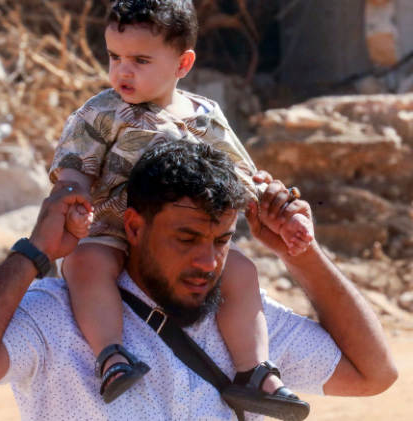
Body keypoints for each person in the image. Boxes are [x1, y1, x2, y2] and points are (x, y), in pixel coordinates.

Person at [0, 142, 397, 421]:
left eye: (221, 240)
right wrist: (34, 253)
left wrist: (301, 251)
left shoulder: (246, 325)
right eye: (186, 238)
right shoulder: (59, 317)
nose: (207, 261)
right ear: (133, 227)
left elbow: (373, 373)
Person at [47, 0, 314, 417]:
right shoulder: (101, 111)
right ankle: (112, 356)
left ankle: (255, 373)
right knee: (84, 264)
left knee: (242, 271)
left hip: (187, 238)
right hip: (112, 229)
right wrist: (73, 201)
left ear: (183, 64)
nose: (123, 71)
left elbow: (240, 174)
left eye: (140, 60)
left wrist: (276, 207)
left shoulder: (205, 116)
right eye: (115, 57)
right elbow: (75, 169)